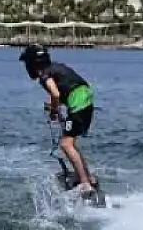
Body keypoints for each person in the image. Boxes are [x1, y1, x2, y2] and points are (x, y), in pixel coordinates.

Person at [18, 43, 97, 194]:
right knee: (70, 142)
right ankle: (89, 177)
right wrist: (54, 106)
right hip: (85, 100)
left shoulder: (44, 75)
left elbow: (55, 94)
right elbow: (66, 90)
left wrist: (54, 110)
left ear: (32, 64)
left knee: (66, 144)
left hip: (79, 103)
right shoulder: (55, 67)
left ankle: (85, 184)